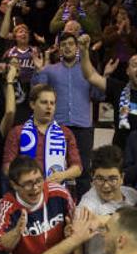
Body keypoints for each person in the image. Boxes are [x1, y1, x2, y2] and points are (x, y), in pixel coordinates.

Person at [33, 33, 103, 192]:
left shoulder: (88, 70)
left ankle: (82, 207)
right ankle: (53, 201)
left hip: (83, 126)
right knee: (52, 168)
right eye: (63, 44)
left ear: (77, 47)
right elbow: (37, 93)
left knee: (84, 170)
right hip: (58, 127)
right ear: (58, 49)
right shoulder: (50, 70)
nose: (67, 47)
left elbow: (97, 95)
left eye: (71, 44)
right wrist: (39, 71)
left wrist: (103, 77)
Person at [0, 156, 75, 254]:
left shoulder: (59, 193)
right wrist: (16, 232)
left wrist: (71, 234)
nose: (35, 188)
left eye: (39, 180)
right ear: (14, 185)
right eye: (28, 183)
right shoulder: (8, 206)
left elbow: (76, 224)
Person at [79, 35, 137, 150]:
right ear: (128, 71)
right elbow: (90, 75)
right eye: (134, 65)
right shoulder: (118, 88)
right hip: (120, 151)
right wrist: (84, 51)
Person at [3, 85, 84, 185]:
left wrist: (63, 175)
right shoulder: (17, 132)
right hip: (26, 190)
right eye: (44, 102)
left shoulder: (66, 133)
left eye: (52, 103)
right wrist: (25, 179)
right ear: (32, 104)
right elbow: (7, 167)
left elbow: (78, 167)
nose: (49, 107)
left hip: (56, 189)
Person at [79, 145, 137, 254]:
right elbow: (76, 233)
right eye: (100, 179)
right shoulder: (87, 203)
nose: (106, 186)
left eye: (112, 179)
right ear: (92, 177)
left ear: (122, 177)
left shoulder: (133, 196)